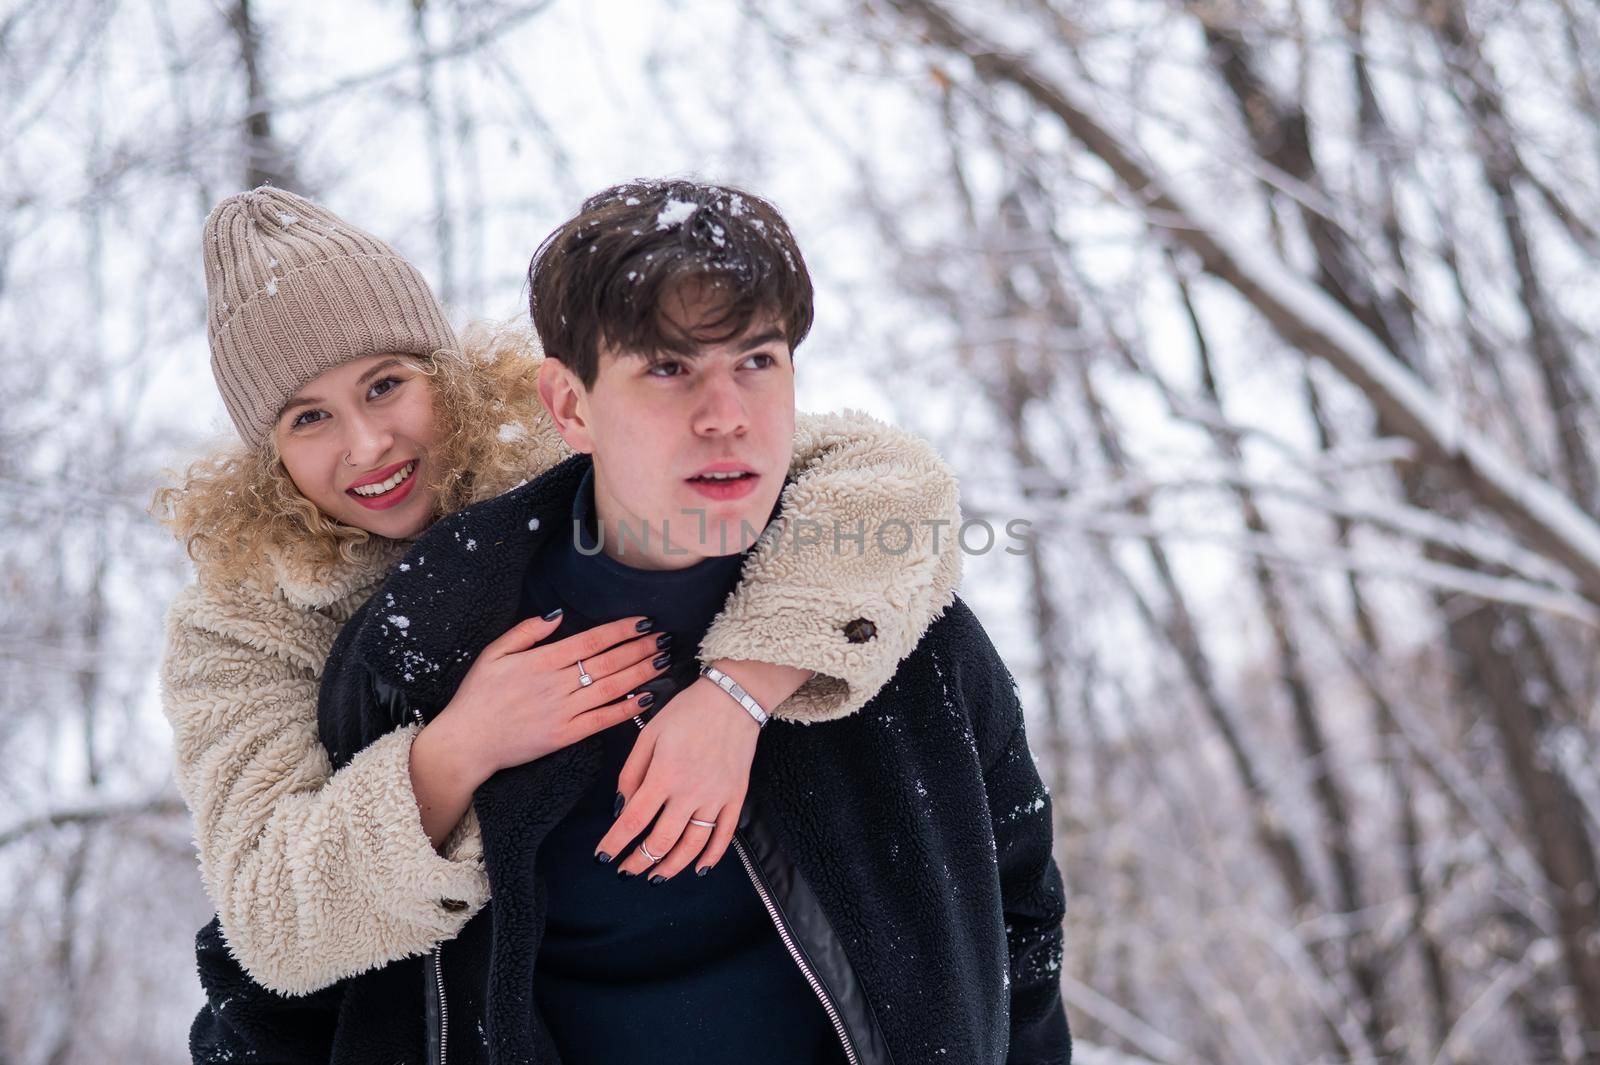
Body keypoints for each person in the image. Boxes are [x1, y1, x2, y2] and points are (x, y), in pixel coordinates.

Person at [194, 179, 1071, 1064]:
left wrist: (739, 691)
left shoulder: (575, 461)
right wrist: (459, 748)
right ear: (265, 456)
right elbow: (269, 937)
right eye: (309, 418)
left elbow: (898, 489)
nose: (369, 443)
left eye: (387, 385)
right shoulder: (260, 628)